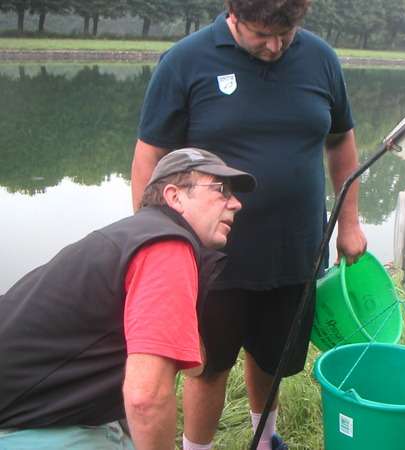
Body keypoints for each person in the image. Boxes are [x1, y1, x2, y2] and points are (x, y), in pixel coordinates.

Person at [131, 0, 367, 448]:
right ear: (232, 13)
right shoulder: (185, 61)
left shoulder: (321, 59)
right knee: (208, 366)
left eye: (287, 32)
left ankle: (265, 441)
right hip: (210, 257)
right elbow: (149, 159)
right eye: (262, 33)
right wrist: (151, 240)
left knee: (271, 358)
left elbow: (341, 142)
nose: (275, 46)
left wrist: (349, 222)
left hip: (295, 249)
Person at [0, 148, 256, 450]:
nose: (236, 203)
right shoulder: (167, 247)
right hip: (18, 427)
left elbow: (190, 367)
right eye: (220, 190)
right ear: (175, 197)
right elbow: (145, 400)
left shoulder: (134, 233)